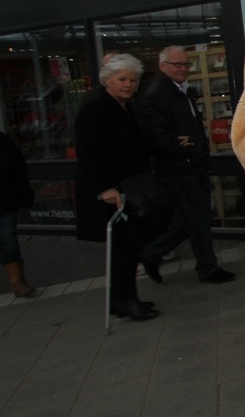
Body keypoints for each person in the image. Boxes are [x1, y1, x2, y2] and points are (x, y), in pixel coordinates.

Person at [139, 46, 235, 285]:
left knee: (189, 218)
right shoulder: (158, 94)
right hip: (179, 168)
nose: (183, 69)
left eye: (186, 64)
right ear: (163, 66)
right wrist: (179, 145)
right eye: (177, 65)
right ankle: (206, 268)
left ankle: (153, 254)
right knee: (198, 218)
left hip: (192, 165)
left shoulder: (181, 91)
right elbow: (156, 135)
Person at [74, 54, 160, 321]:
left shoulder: (127, 105)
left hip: (131, 187)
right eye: (122, 79)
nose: (128, 84)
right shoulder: (95, 107)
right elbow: (87, 153)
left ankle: (125, 299)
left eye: (133, 80)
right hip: (112, 191)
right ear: (107, 80)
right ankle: (124, 300)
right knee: (123, 248)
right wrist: (104, 187)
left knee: (131, 245)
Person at [1, 130, 36, 298]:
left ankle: (18, 282)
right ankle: (18, 282)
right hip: (6, 199)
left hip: (4, 200)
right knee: (8, 238)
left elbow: (16, 168)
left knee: (8, 239)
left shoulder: (3, 141)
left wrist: (20, 194)